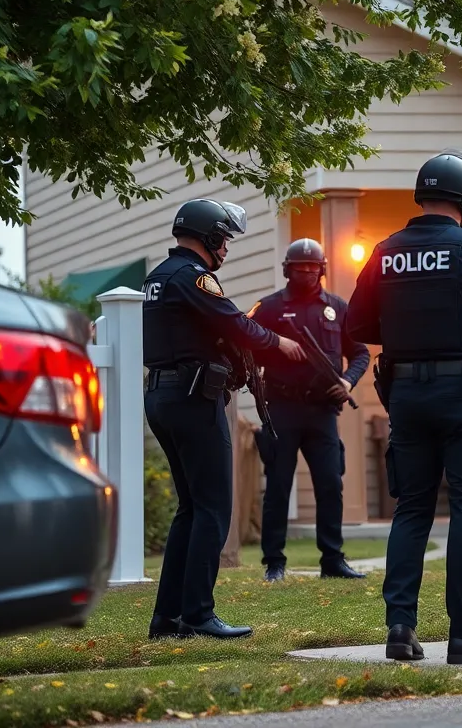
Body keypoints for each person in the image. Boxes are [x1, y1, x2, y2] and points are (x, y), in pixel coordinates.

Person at [345, 148, 462, 665]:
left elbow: (356, 328)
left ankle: (400, 628)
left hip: (405, 395)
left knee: (411, 509)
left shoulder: (384, 252)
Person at [142, 198, 306, 640]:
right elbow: (237, 325)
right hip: (195, 400)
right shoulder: (194, 278)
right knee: (213, 509)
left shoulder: (158, 277)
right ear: (210, 235)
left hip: (162, 396)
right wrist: (280, 343)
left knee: (191, 509)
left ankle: (168, 618)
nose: (228, 248)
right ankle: (198, 614)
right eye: (225, 238)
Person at [247, 238, 371, 583]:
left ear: (323, 269)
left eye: (312, 268)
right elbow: (248, 348)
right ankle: (274, 563)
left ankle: (333, 560)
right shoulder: (269, 308)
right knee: (278, 486)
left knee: (330, 484)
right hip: (282, 408)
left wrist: (347, 382)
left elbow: (360, 352)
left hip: (323, 411)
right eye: (299, 268)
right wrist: (275, 350)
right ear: (287, 269)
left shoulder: (338, 308)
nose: (305, 273)